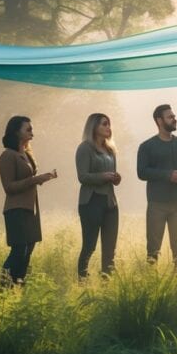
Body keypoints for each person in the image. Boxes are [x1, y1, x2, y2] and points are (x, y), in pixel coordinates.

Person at [0, 116, 56, 285]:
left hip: (30, 209)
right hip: (16, 210)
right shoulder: (7, 155)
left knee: (28, 250)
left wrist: (44, 177)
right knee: (19, 251)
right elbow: (9, 187)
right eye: (28, 129)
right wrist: (35, 179)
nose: (32, 133)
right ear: (16, 132)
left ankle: (17, 287)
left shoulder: (26, 154)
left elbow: (29, 181)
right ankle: (2, 287)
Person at [136, 104, 177, 270]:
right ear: (159, 121)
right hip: (157, 204)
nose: (174, 119)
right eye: (170, 117)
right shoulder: (146, 146)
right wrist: (168, 174)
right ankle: (152, 282)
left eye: (174, 116)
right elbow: (141, 172)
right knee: (153, 251)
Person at [76, 112, 121, 280]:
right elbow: (82, 176)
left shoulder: (111, 150)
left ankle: (107, 282)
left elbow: (113, 177)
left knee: (110, 248)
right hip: (91, 202)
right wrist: (103, 176)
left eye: (109, 124)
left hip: (110, 203)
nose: (108, 127)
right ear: (93, 127)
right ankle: (82, 281)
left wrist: (116, 178)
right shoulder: (84, 148)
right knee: (90, 246)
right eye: (104, 124)